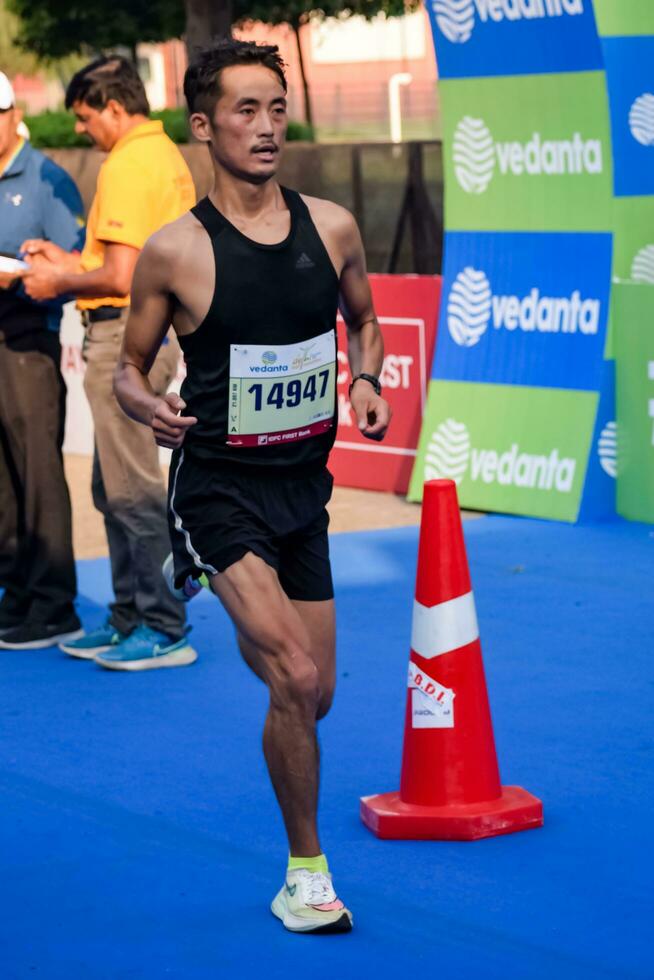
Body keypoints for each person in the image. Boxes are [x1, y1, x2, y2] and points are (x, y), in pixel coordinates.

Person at [113, 39, 391, 932]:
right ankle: (306, 875)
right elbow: (127, 367)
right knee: (294, 672)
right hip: (217, 489)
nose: (267, 127)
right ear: (203, 125)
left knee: (314, 697)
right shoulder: (175, 251)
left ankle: (253, 621)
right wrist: (143, 402)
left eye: (276, 108)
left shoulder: (334, 224)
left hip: (303, 491)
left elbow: (365, 320)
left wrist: (366, 382)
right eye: (245, 110)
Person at [21, 57, 197, 670]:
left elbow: (120, 277)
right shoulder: (162, 153)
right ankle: (130, 615)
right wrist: (67, 263)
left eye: (84, 116)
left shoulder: (127, 163)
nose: (79, 130)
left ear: (115, 109)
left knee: (131, 489)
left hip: (125, 336)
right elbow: (127, 260)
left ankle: (163, 624)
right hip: (144, 330)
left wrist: (53, 283)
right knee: (113, 483)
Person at [0, 70, 85, 650]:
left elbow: (75, 266)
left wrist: (23, 273)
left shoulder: (47, 176)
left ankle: (55, 604)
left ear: (11, 114)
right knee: (3, 477)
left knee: (37, 473)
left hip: (29, 339)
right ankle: (18, 591)